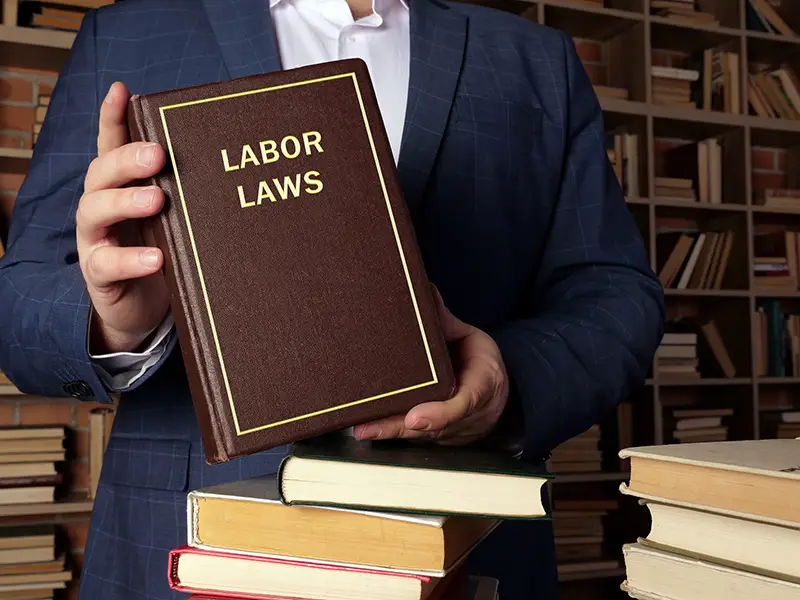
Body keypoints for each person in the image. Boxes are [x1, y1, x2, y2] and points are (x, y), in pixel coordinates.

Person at [0, 0, 664, 597]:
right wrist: (116, 323)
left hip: (464, 545)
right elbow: (18, 306)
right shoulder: (127, 31)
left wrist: (510, 382)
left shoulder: (534, 59)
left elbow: (615, 296)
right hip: (187, 551)